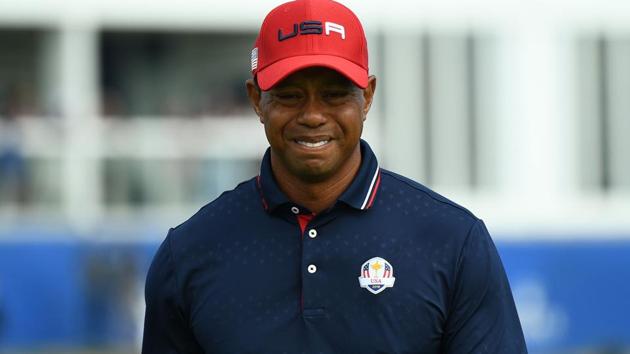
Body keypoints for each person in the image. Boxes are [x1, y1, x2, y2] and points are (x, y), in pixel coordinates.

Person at [142, 0, 527, 353]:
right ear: (257, 100)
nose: (312, 115)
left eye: (335, 94)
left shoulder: (453, 241)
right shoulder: (190, 252)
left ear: (368, 97)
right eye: (290, 95)